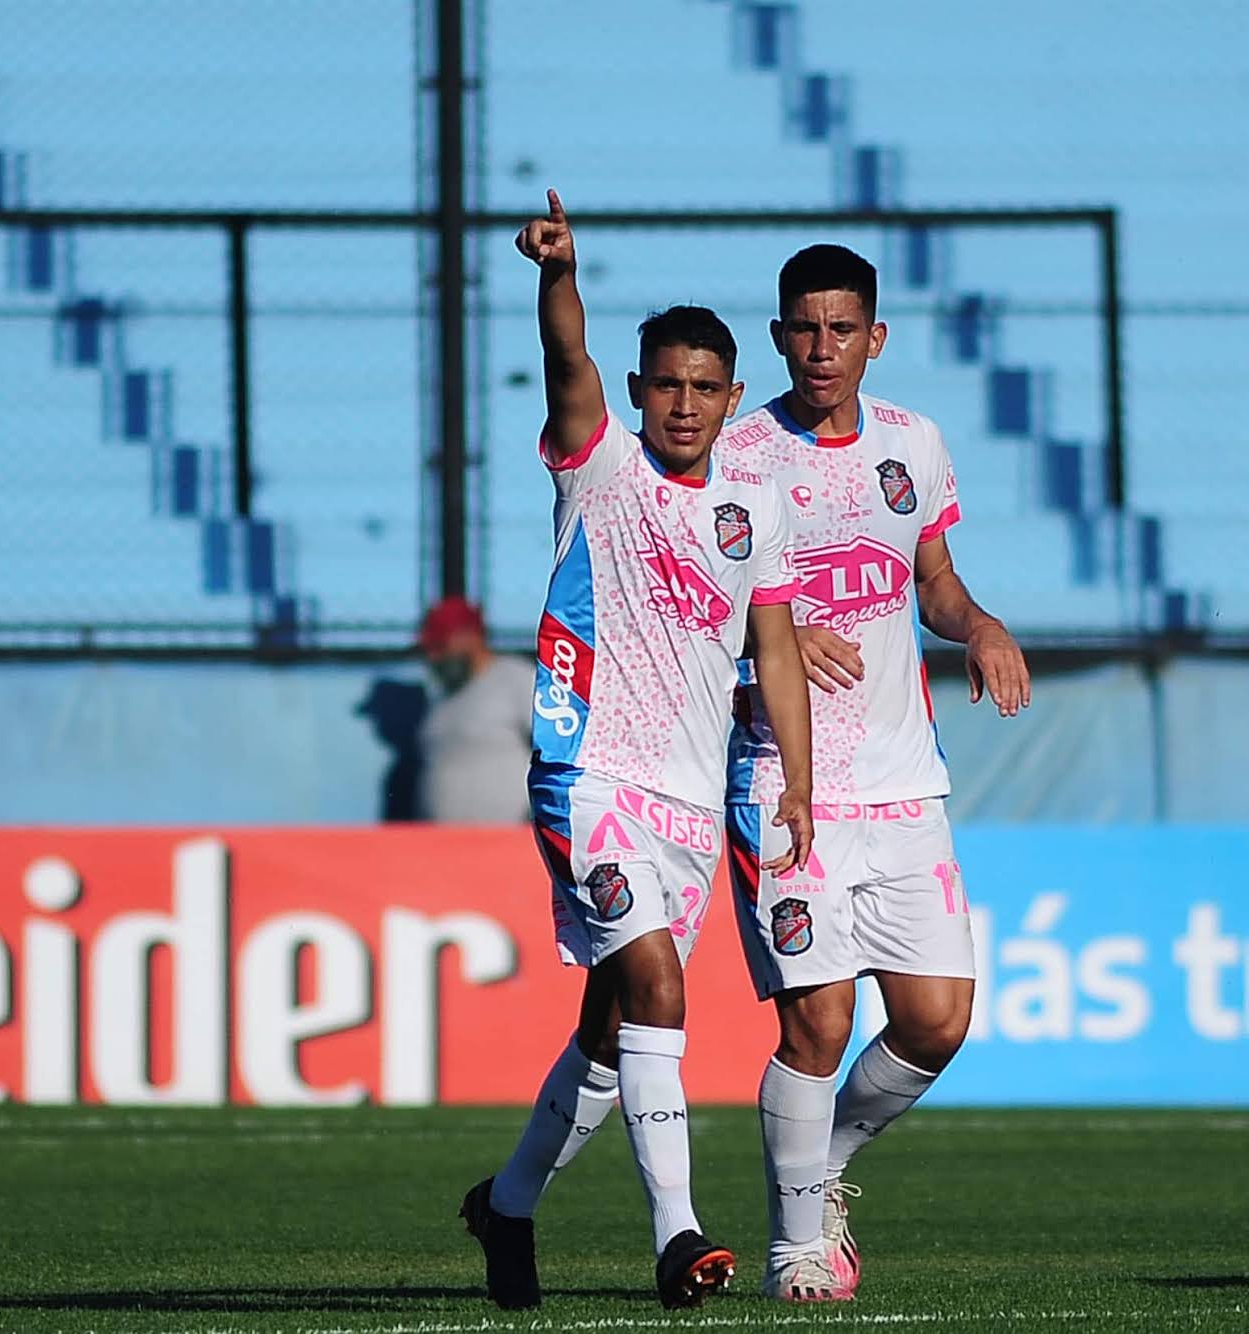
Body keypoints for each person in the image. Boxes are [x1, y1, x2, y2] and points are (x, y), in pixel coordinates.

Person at [459, 192, 817, 1311]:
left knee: (611, 1030)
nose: (682, 403)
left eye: (704, 387)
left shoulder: (751, 510)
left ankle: (506, 1203)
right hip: (585, 775)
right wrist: (555, 274)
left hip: (684, 800)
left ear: (730, 398)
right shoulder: (595, 464)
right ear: (633, 390)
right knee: (658, 983)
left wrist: (795, 781)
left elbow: (772, 646)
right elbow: (562, 348)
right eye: (663, 382)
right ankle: (680, 1234)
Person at [720, 244, 1030, 1302]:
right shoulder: (736, 451)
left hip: (902, 783)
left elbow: (931, 578)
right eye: (801, 328)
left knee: (939, 1018)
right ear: (776, 337)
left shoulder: (913, 443)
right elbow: (684, 597)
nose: (820, 348)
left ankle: (824, 1167)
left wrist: (977, 625)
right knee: (813, 1019)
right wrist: (771, 634)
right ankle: (793, 1242)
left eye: (840, 328)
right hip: (782, 778)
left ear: (873, 336)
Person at [415, 596, 533, 823]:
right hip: (443, 847)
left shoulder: (515, 677)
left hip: (508, 842)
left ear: (471, 636)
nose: (434, 657)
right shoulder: (442, 700)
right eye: (430, 649)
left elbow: (557, 751)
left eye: (441, 646)